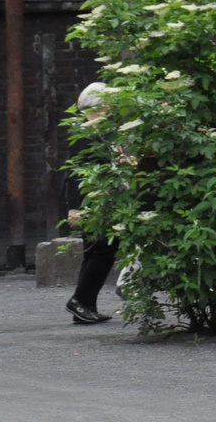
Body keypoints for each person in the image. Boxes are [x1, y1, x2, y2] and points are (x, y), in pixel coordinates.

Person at [65, 81, 117, 325]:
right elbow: (73, 173)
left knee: (95, 252)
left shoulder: (93, 132)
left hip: (96, 201)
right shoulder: (87, 134)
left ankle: (86, 306)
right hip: (93, 203)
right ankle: (79, 301)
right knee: (102, 252)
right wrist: (74, 207)